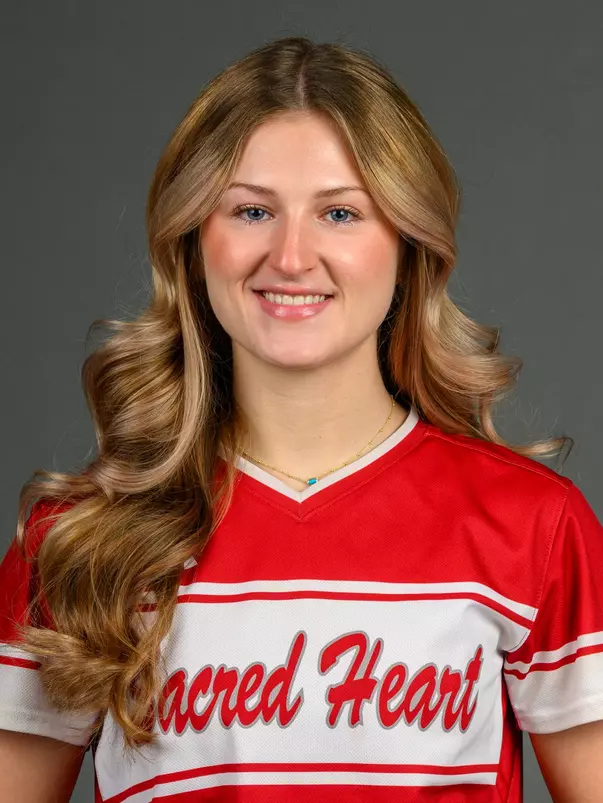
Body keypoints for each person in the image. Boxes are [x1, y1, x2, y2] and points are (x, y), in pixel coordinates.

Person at [0, 35, 601, 803]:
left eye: (340, 213)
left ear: (407, 241)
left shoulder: (533, 526)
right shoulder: (76, 541)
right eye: (251, 209)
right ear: (192, 240)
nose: (290, 256)